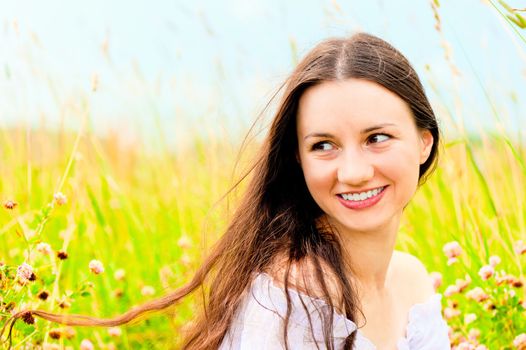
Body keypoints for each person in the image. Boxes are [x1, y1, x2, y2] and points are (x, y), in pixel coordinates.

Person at [2, 32, 450, 349]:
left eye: (377, 138)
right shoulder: (293, 298)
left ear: (424, 141)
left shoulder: (412, 281)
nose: (352, 172)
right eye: (323, 145)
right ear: (297, 158)